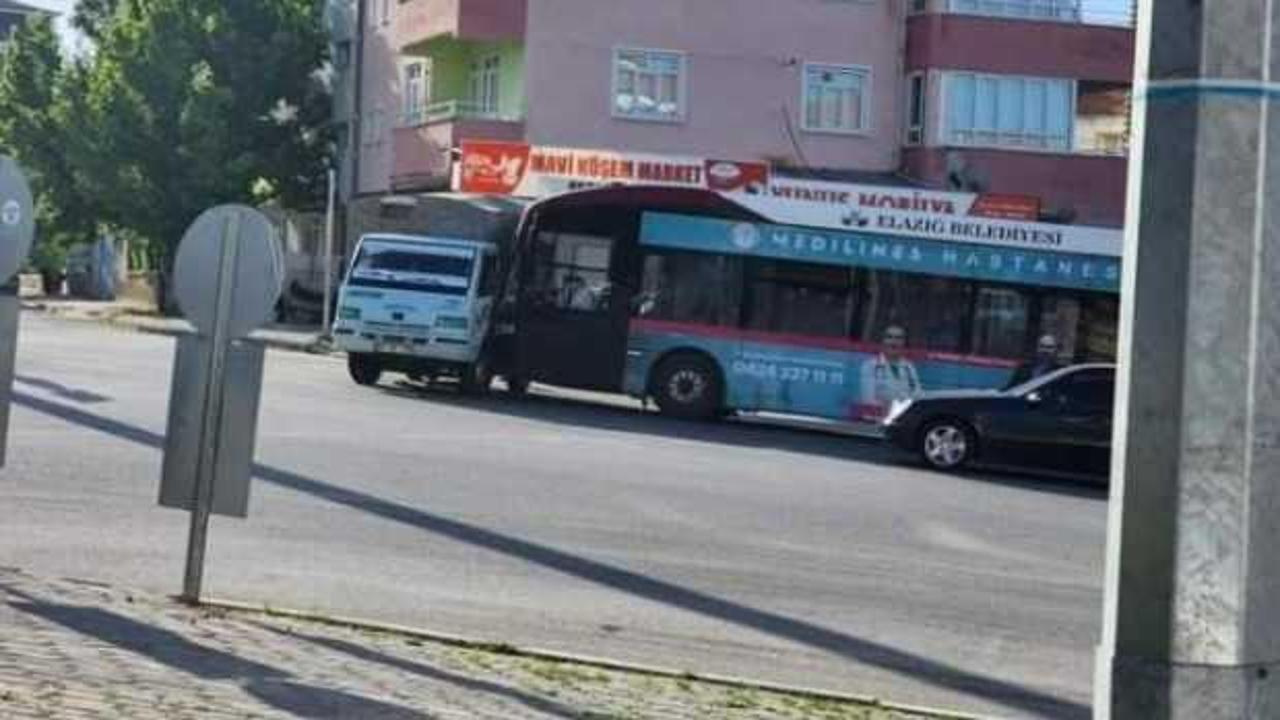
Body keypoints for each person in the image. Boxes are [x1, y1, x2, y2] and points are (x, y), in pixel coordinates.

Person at [858, 325, 922, 421]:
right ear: (882, 341)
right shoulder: (870, 366)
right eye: (889, 337)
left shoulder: (909, 367)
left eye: (898, 338)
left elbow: (917, 395)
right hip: (876, 420)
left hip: (903, 420)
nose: (893, 342)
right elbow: (868, 399)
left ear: (904, 342)